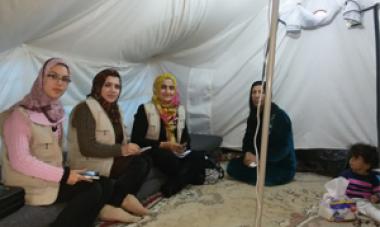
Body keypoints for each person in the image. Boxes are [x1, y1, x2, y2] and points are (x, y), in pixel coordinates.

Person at [0, 58, 122, 227]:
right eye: (53, 76)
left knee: (102, 180)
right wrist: (65, 175)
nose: (59, 83)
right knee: (92, 188)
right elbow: (20, 160)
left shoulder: (55, 113)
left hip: (53, 175)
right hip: (30, 181)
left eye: (65, 79)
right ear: (42, 78)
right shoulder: (19, 116)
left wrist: (66, 172)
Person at [68, 68, 150, 220]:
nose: (113, 90)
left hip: (108, 160)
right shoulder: (84, 109)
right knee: (138, 164)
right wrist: (123, 150)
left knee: (145, 159)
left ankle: (118, 200)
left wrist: (131, 148)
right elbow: (87, 147)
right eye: (107, 85)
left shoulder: (114, 109)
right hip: (85, 168)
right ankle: (119, 201)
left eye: (117, 86)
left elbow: (119, 138)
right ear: (98, 87)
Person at [131, 72, 205, 197]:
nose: (168, 91)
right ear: (156, 89)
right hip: (156, 150)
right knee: (170, 159)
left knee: (199, 155)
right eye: (163, 87)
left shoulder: (179, 109)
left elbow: (186, 136)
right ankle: (189, 176)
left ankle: (174, 185)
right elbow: (136, 139)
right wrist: (164, 145)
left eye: (171, 88)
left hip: (176, 151)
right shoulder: (145, 109)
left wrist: (183, 147)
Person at [227, 80, 296, 186]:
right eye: (254, 92)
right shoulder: (254, 116)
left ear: (268, 95)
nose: (257, 95)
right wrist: (247, 153)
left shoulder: (280, 116)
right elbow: (248, 139)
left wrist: (260, 159)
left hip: (278, 164)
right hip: (257, 160)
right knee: (232, 167)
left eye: (261, 92)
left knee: (263, 176)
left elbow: (283, 149)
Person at [339, 143, 380, 222]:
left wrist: (376, 197)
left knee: (372, 211)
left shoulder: (373, 178)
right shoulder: (346, 174)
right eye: (351, 157)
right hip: (346, 201)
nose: (351, 160)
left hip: (362, 202)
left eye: (356, 158)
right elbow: (337, 187)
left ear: (367, 165)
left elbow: (378, 191)